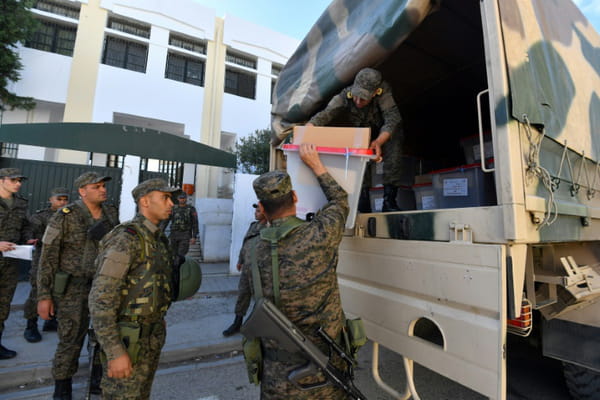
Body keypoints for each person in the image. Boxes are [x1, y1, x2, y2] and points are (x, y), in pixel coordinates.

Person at [243, 143, 350, 399]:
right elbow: (340, 200)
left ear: (262, 207)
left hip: (276, 375)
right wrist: (316, 165)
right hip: (325, 369)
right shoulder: (318, 235)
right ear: (294, 198)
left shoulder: (252, 249)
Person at [89, 178, 178, 400]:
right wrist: (114, 351)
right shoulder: (126, 239)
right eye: (165, 198)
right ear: (145, 201)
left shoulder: (158, 239)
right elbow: (101, 298)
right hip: (126, 341)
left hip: (150, 338)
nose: (171, 203)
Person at [37, 172, 119, 399]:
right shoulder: (64, 216)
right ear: (82, 191)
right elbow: (48, 258)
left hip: (103, 286)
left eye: (103, 186)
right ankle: (62, 388)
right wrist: (44, 296)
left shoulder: (110, 213)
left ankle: (97, 379)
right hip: (74, 288)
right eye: (96, 186)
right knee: (70, 338)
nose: (103, 190)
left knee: (105, 335)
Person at [307, 67, 404, 212]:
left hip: (385, 131)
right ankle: (362, 201)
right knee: (359, 157)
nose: (358, 101)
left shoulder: (383, 93)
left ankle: (389, 201)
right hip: (364, 131)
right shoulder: (345, 95)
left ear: (375, 93)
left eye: (363, 98)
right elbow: (326, 114)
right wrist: (306, 130)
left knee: (395, 144)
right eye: (356, 96)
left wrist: (378, 142)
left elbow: (392, 119)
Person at [23, 187, 69, 343]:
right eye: (59, 199)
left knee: (58, 289)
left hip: (63, 259)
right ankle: (31, 325)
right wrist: (30, 238)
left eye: (65, 199)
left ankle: (50, 320)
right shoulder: (41, 216)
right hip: (43, 258)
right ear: (51, 200)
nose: (63, 202)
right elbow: (29, 230)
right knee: (38, 290)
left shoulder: (70, 216)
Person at [0, 168, 31, 359]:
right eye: (13, 180)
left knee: (3, 305)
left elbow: (26, 226)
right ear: (1, 180)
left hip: (10, 262)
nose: (18, 183)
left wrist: (28, 239)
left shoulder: (21, 204)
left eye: (19, 180)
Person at [222, 203, 267, 337]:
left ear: (266, 212)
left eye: (259, 210)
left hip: (260, 271)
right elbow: (246, 243)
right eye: (255, 210)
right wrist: (240, 260)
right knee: (243, 295)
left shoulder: (271, 228)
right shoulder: (253, 226)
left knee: (260, 298)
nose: (255, 212)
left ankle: (258, 325)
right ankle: (237, 323)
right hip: (247, 268)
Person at [166, 192, 200, 258]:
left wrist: (194, 236)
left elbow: (195, 223)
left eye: (184, 198)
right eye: (181, 198)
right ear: (178, 199)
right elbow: (166, 220)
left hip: (185, 234)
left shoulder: (191, 209)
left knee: (181, 254)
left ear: (186, 199)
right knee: (172, 254)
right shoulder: (173, 208)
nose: (182, 200)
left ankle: (179, 267)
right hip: (174, 234)